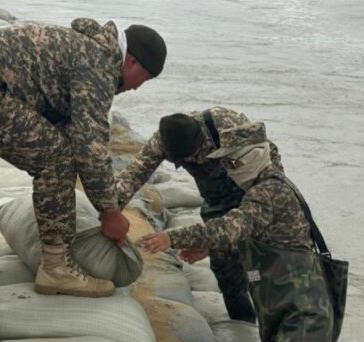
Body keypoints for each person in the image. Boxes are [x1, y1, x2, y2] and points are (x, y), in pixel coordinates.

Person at [140, 122, 336, 342]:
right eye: (226, 165)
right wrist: (206, 248)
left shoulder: (269, 192)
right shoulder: (258, 192)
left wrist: (172, 237)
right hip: (281, 309)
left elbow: (232, 226)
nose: (230, 172)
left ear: (256, 157)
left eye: (234, 163)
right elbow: (247, 234)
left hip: (302, 311)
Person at [0, 20, 167, 298]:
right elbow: (90, 149)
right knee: (57, 159)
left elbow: (67, 123)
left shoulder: (90, 51)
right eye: (145, 78)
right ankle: (56, 268)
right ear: (131, 62)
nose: (138, 88)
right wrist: (109, 212)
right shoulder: (98, 65)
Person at [114, 107, 285, 322]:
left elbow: (269, 160)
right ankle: (244, 327)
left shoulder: (228, 126)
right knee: (226, 270)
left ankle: (276, 328)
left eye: (194, 155)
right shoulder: (163, 140)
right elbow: (131, 178)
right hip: (216, 202)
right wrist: (109, 215)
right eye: (185, 160)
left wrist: (267, 208)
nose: (192, 161)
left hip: (251, 195)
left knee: (260, 267)